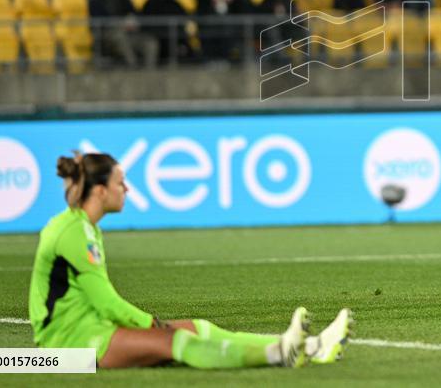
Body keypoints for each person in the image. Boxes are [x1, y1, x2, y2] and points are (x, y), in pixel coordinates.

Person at [29, 152, 352, 369]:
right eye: (119, 183)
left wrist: (147, 324)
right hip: (69, 347)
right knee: (176, 339)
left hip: (90, 329)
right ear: (100, 191)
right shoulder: (74, 232)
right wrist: (149, 323)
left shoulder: (83, 227)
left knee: (199, 327)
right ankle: (278, 353)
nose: (126, 188)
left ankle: (309, 347)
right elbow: (107, 302)